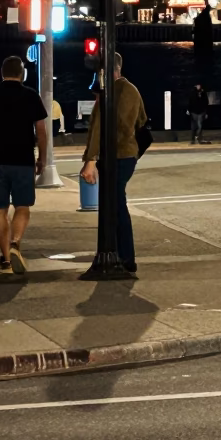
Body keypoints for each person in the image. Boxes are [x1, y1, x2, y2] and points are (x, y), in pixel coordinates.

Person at [0, 56, 48, 275]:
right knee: (22, 206)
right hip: (23, 161)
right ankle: (15, 243)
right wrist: (41, 158)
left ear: (2, 73)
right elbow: (41, 131)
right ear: (22, 73)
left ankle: (5, 260)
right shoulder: (31, 96)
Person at [80, 53, 147, 274]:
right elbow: (142, 120)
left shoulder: (115, 92)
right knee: (116, 203)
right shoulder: (129, 90)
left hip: (119, 155)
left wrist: (90, 158)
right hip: (124, 154)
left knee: (116, 204)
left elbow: (101, 125)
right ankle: (122, 254)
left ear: (107, 70)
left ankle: (125, 256)